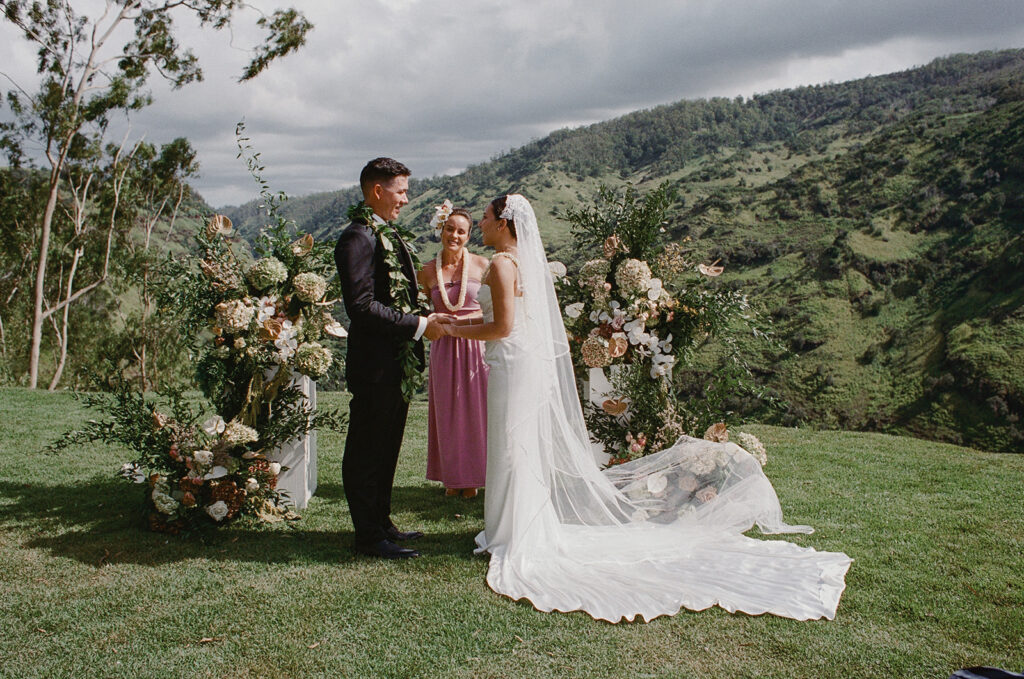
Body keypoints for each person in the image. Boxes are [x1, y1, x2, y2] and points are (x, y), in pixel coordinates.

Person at [439, 194, 852, 622]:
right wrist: (451, 325)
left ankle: (514, 535)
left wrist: (453, 329)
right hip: (518, 363)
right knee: (516, 446)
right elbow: (513, 322)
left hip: (510, 364)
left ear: (504, 223)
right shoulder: (523, 264)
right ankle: (516, 528)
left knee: (511, 446)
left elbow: (503, 326)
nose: (481, 225)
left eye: (485, 218)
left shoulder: (503, 265)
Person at [334, 157, 445, 560]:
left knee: (388, 446)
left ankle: (382, 523)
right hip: (374, 364)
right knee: (366, 450)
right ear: (377, 191)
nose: (406, 198)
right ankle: (367, 536)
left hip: (396, 363)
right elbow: (361, 306)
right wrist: (418, 325)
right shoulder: (357, 238)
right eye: (400, 191)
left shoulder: (387, 233)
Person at [417, 208, 490, 498]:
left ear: (469, 235)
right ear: (441, 230)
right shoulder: (426, 271)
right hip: (444, 346)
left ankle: (473, 478)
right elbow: (421, 310)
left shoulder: (483, 265)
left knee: (475, 411)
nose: (454, 235)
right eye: (450, 229)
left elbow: (494, 307)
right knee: (446, 412)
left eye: (461, 231)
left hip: (475, 344)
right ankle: (452, 477)